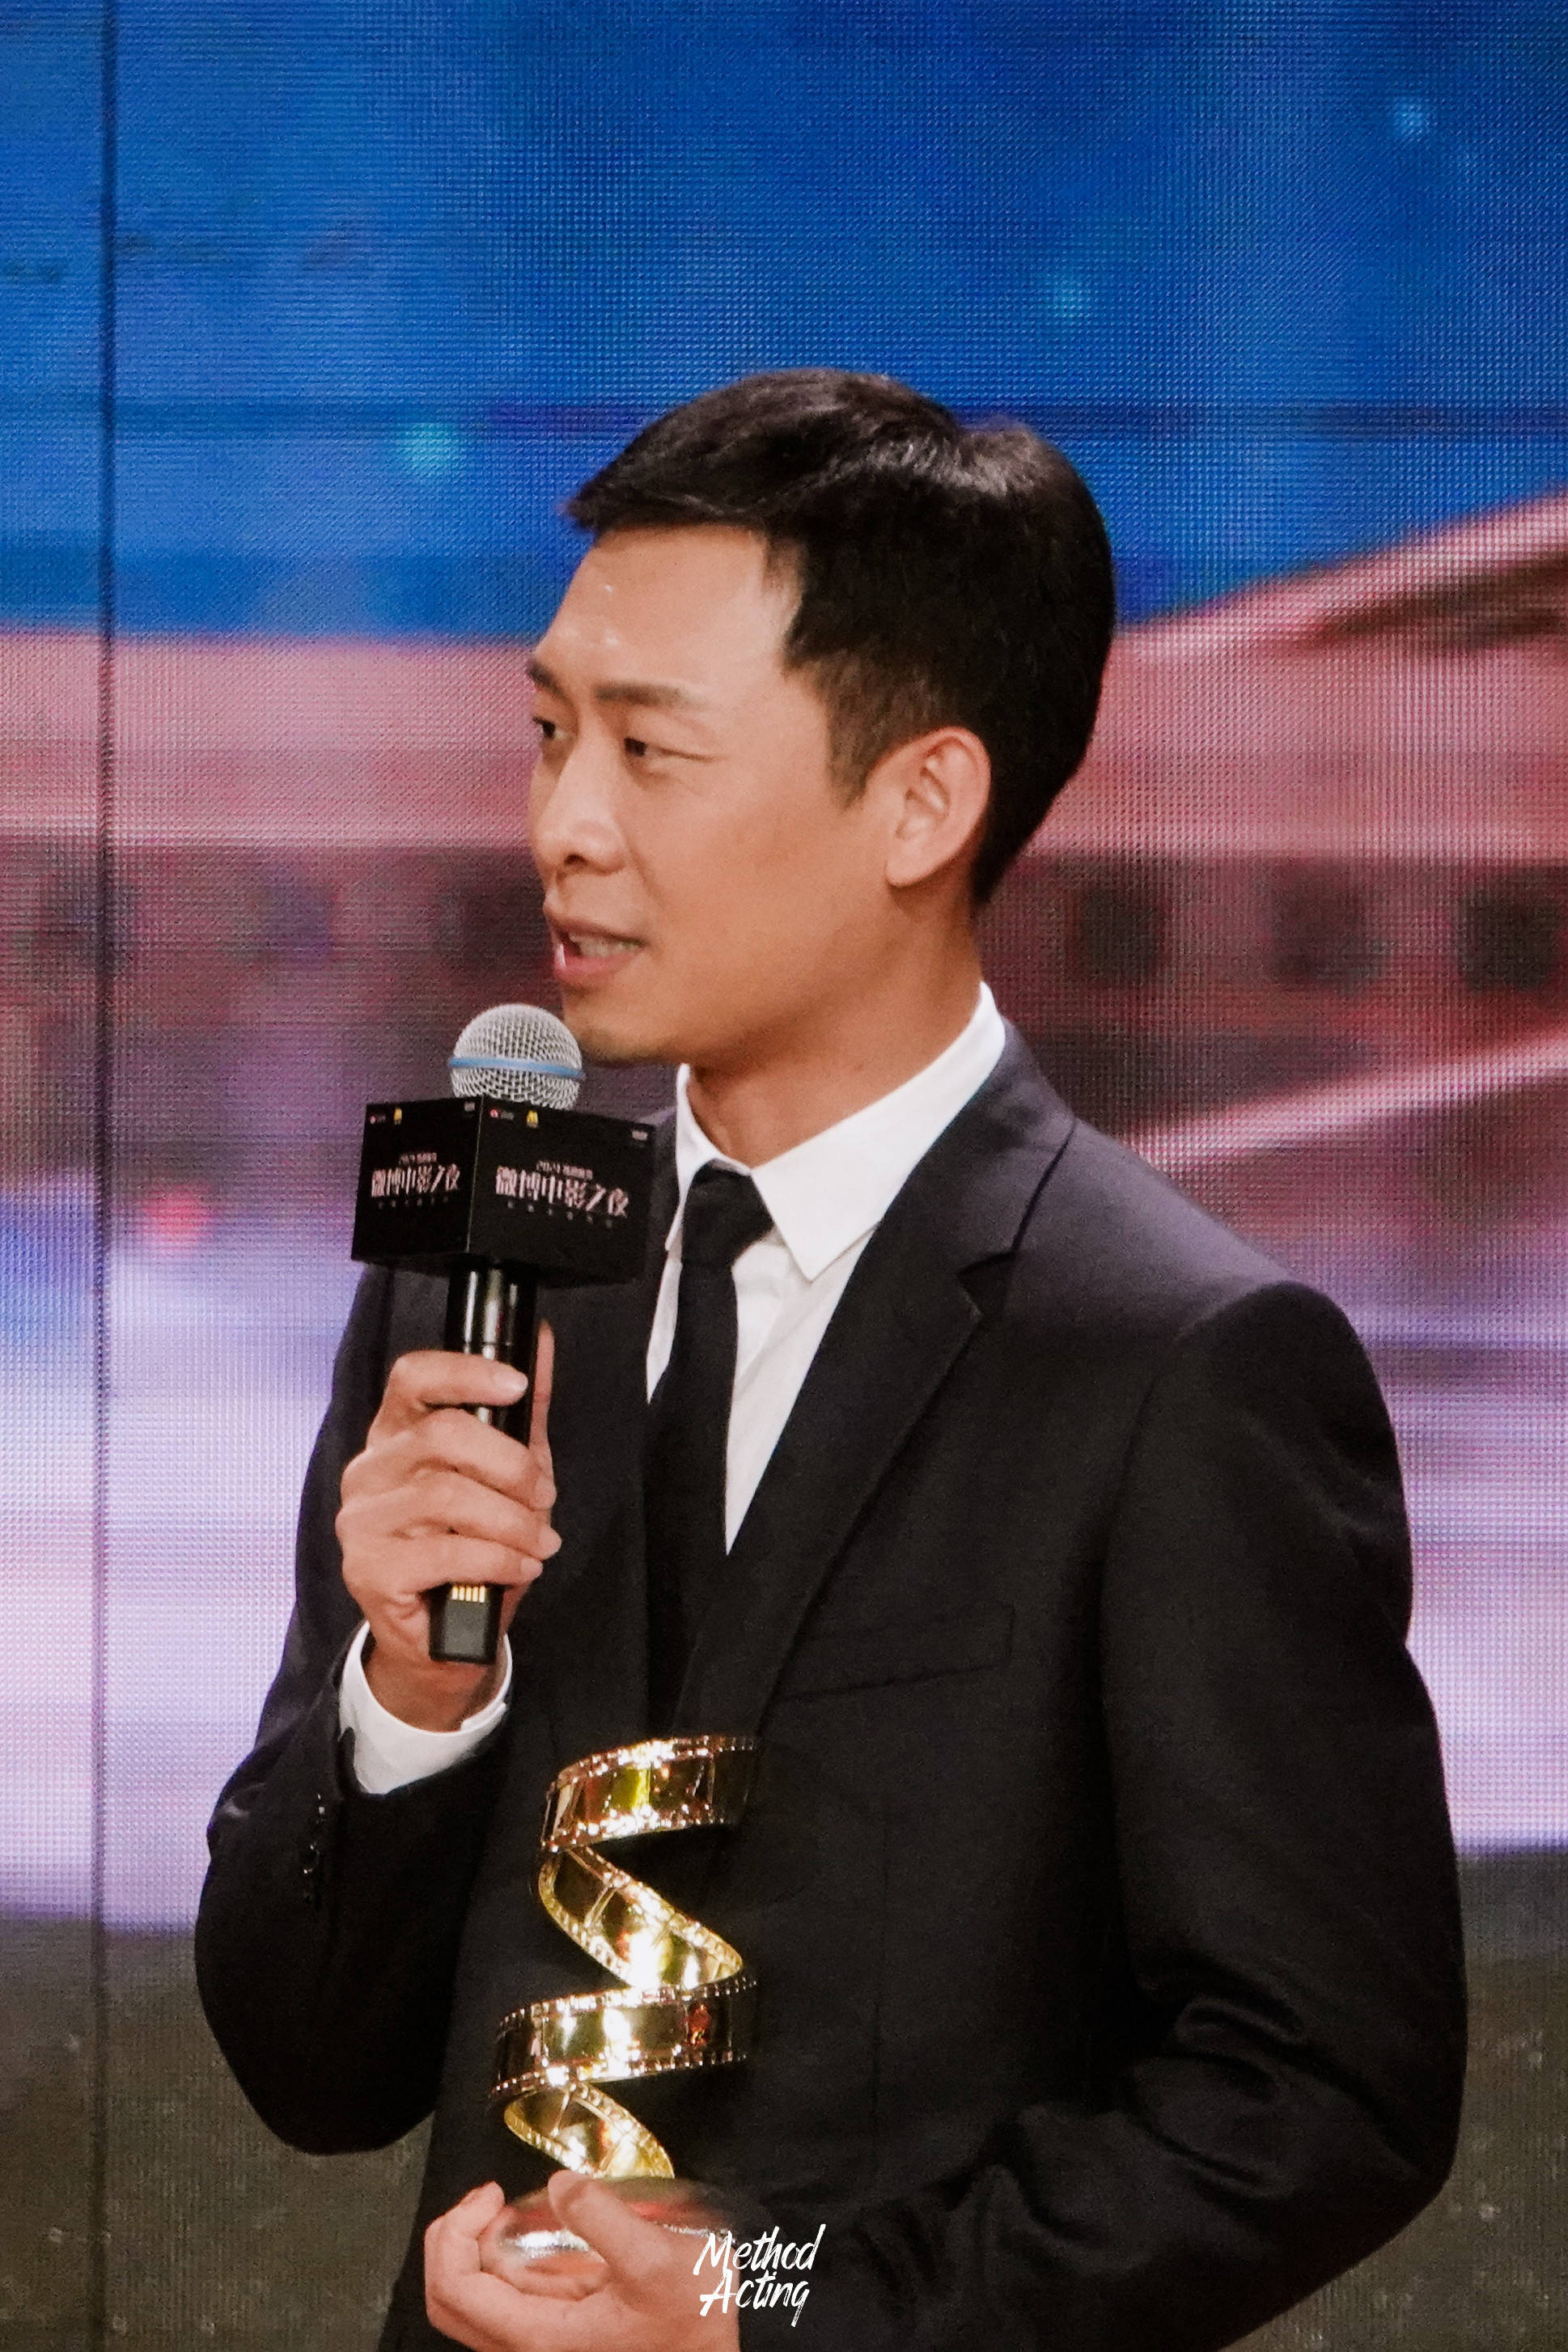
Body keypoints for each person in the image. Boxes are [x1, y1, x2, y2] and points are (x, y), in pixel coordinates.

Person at [195, 371, 1467, 2352]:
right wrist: (413, 1700)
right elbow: (312, 2064)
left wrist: (764, 2296)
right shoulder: (487, 1277)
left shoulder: (1179, 1362)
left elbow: (1316, 2097)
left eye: (650, 750)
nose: (564, 826)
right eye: (549, 733)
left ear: (923, 801)